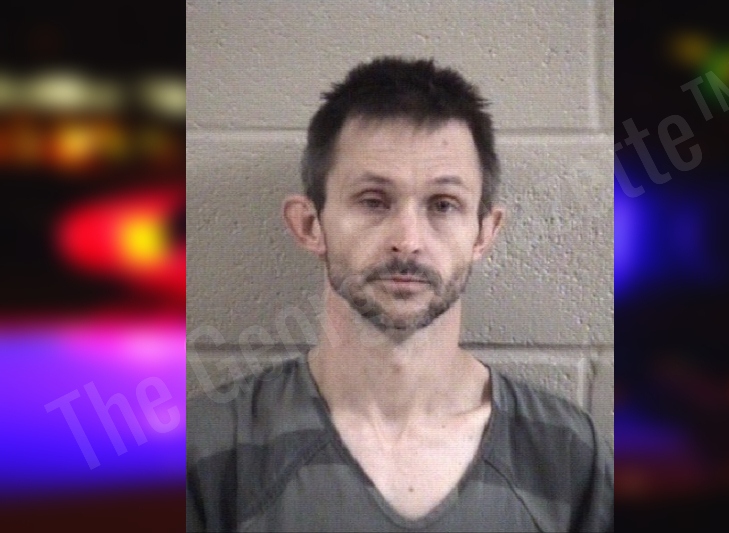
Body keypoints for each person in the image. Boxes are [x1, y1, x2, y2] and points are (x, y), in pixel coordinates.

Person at [186, 56, 613, 532]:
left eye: (443, 205)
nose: (408, 240)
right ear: (309, 225)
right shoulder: (210, 448)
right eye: (373, 201)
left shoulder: (564, 451)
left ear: (484, 233)